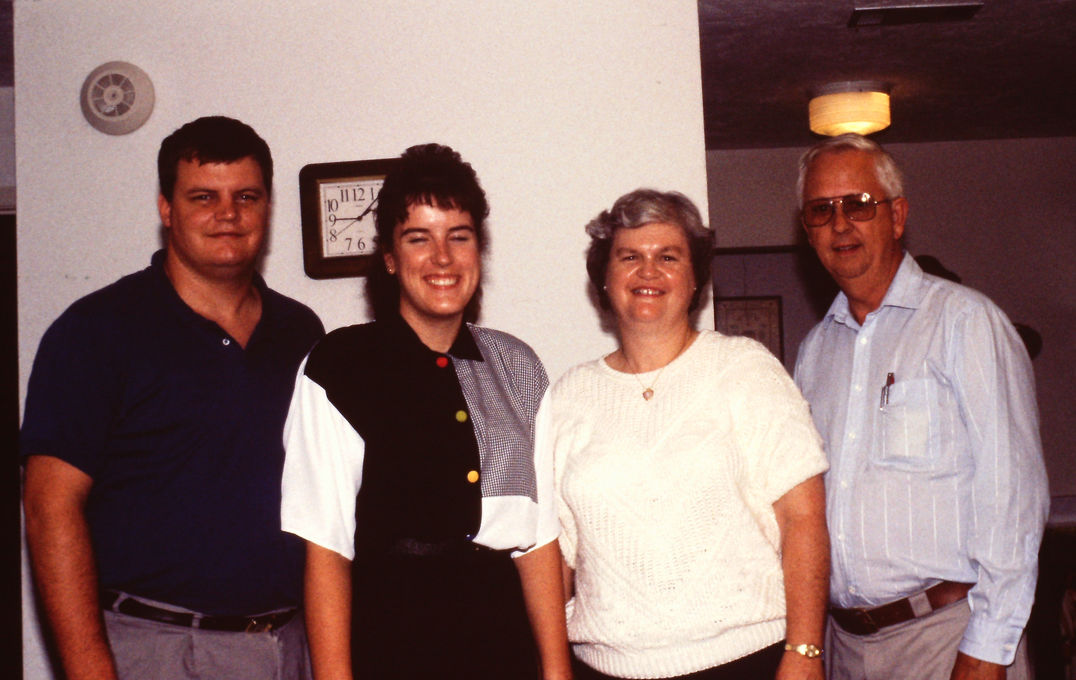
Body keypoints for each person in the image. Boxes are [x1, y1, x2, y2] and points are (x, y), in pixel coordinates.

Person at [21, 116, 325, 680]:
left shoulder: (300, 331)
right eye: (203, 197)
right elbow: (48, 507)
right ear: (166, 208)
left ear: (267, 207)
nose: (228, 214)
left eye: (247, 196)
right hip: (154, 648)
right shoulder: (97, 330)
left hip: (287, 647)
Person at [280, 143, 572, 679]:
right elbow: (326, 551)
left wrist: (556, 673)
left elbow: (540, 540)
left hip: (502, 648)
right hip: (390, 647)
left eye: (458, 237)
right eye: (419, 238)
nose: (442, 258)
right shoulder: (340, 366)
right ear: (390, 258)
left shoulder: (518, 367)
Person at [792, 133, 1049, 680]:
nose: (841, 224)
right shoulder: (815, 352)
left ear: (897, 214)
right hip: (844, 647)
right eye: (822, 210)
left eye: (859, 205)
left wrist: (988, 648)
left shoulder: (965, 323)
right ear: (807, 230)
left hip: (948, 638)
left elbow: (1014, 497)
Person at [548, 188, 830, 680]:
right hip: (603, 670)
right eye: (630, 256)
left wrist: (805, 653)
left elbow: (803, 519)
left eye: (668, 257)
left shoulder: (744, 369)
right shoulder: (569, 396)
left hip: (747, 663)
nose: (648, 272)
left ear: (694, 278)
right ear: (604, 278)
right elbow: (555, 557)